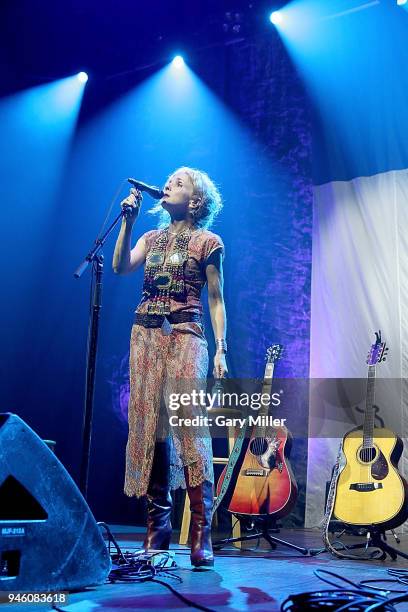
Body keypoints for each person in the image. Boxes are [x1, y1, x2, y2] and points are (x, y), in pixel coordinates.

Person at [112, 166, 227, 567]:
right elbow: (121, 266)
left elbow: (215, 298)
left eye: (179, 183)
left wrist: (221, 349)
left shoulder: (207, 242)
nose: (169, 184)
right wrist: (127, 221)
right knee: (149, 426)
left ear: (195, 201)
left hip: (186, 334)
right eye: (169, 180)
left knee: (186, 422)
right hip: (145, 333)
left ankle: (200, 529)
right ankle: (157, 527)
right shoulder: (151, 237)